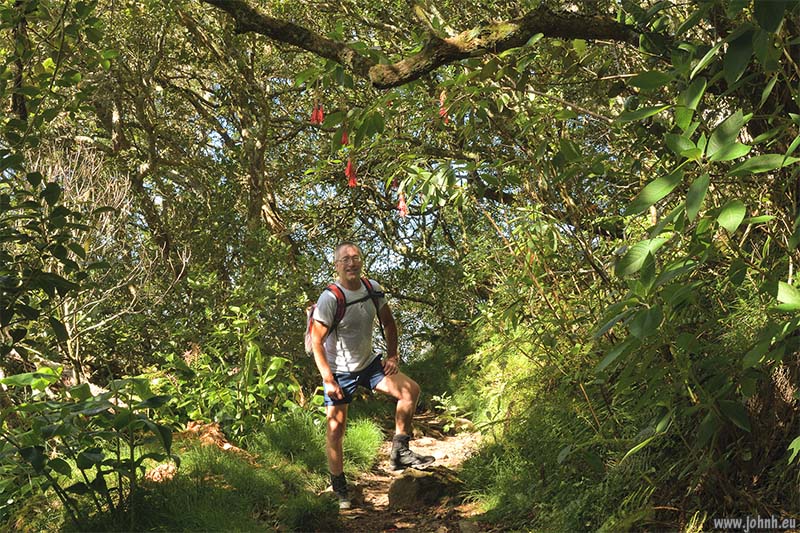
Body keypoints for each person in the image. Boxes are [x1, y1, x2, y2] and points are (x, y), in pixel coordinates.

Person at [309, 241, 434, 509]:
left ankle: (400, 451)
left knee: (409, 391)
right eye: (345, 259)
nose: (351, 262)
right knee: (336, 428)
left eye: (356, 257)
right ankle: (339, 485)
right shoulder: (330, 298)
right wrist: (328, 379)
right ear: (337, 266)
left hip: (368, 365)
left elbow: (388, 322)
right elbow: (316, 341)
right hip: (339, 372)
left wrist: (392, 355)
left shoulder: (372, 289)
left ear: (361, 261)